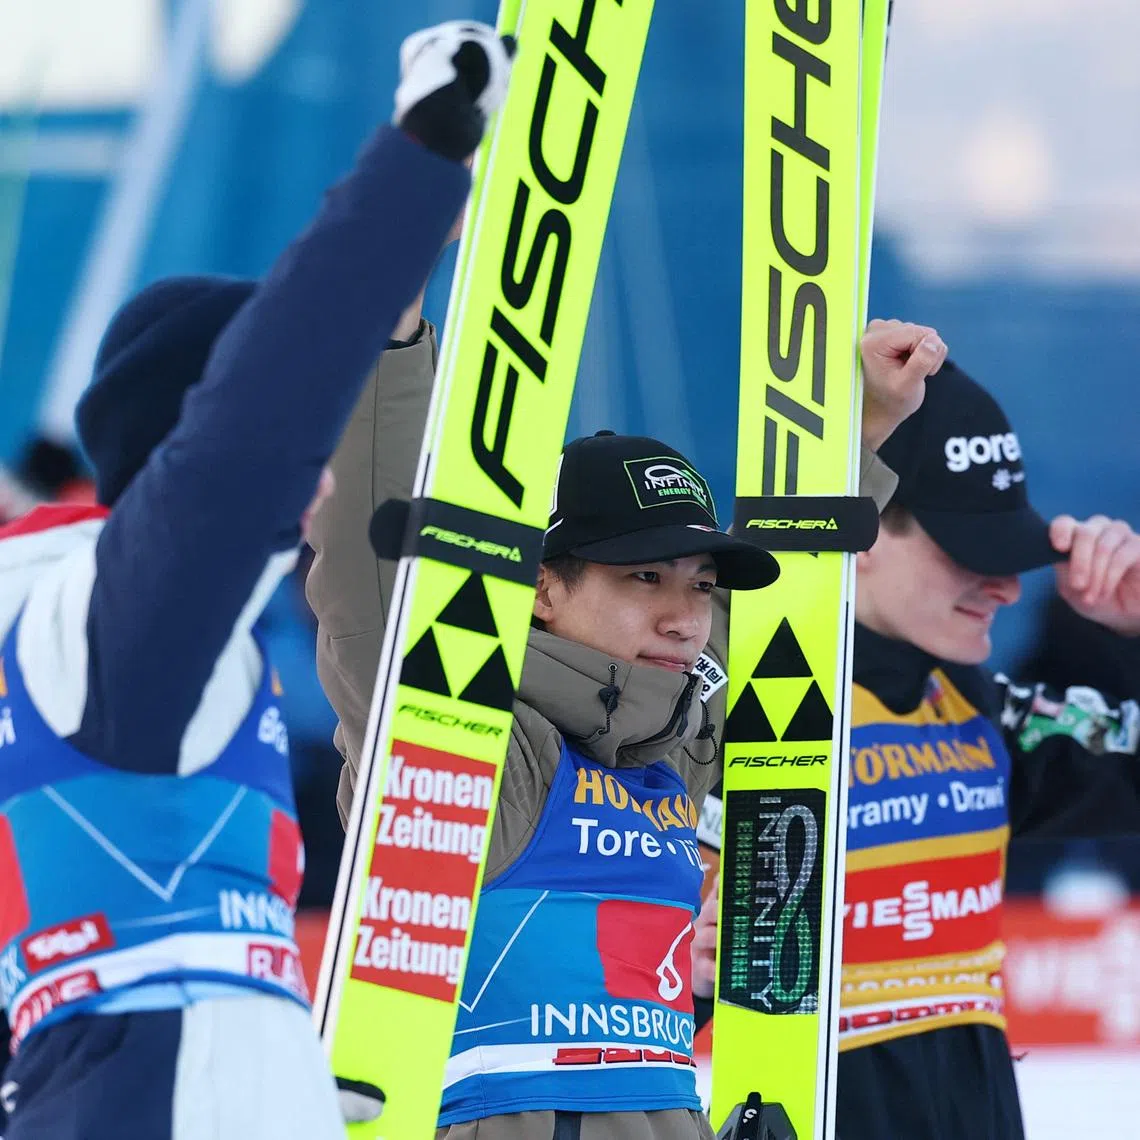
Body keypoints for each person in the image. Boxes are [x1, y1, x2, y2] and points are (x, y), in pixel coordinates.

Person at [306, 232, 949, 1140]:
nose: (685, 616)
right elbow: (371, 575)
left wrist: (867, 424)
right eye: (642, 577)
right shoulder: (474, 740)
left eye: (700, 582)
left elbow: (779, 615)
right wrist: (391, 319)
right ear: (541, 584)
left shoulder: (675, 741)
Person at [0, 21, 515, 1139]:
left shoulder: (93, 624)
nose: (321, 476)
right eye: (314, 444)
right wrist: (425, 150)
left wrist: (279, 1063)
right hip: (161, 1082)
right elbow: (260, 408)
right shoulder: (118, 618)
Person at [692, 360, 1140, 1139]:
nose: (1007, 587)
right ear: (860, 534)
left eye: (1011, 552)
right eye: (973, 550)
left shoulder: (977, 709)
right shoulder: (717, 703)